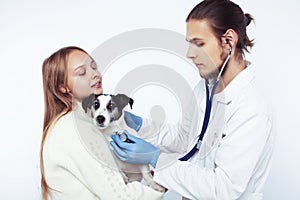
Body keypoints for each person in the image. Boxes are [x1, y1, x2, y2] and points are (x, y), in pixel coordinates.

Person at [110, 0, 274, 199]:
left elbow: (223, 189)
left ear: (228, 40)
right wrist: (140, 125)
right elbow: (184, 140)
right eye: (190, 44)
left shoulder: (251, 109)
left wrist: (155, 158)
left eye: (199, 43)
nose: (190, 54)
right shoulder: (205, 88)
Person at [40, 46, 164, 200]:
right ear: (63, 88)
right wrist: (161, 184)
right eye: (82, 72)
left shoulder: (77, 123)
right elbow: (119, 195)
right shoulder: (74, 127)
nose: (95, 74)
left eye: (94, 67)